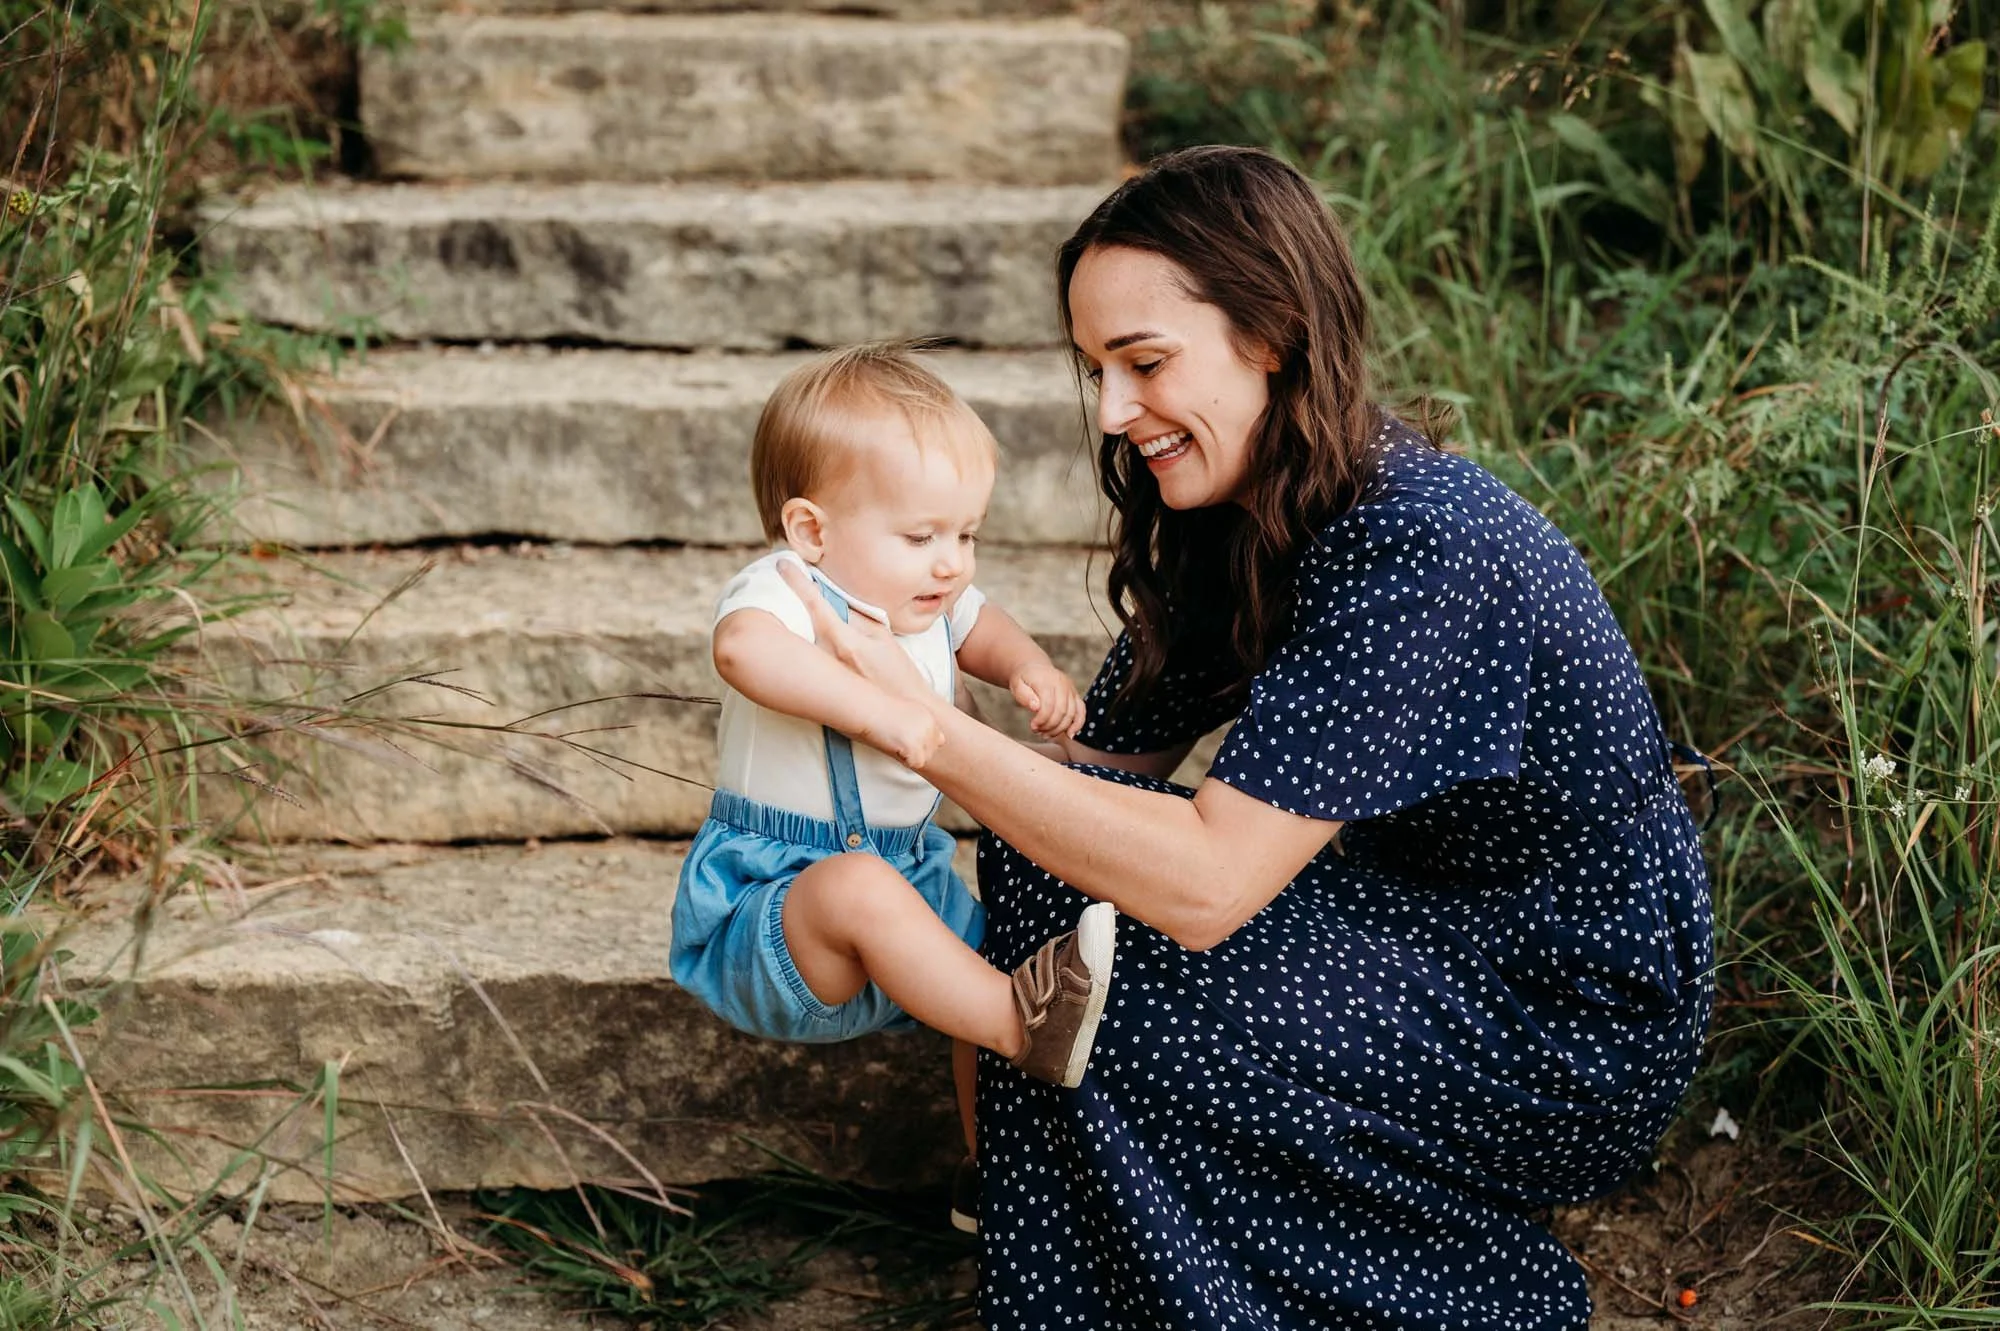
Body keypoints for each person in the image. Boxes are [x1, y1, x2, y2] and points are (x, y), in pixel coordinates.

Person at [774, 147, 1715, 1329]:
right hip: (1411, 925)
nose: (1113, 412)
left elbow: (1209, 885)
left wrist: (920, 729)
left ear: (1269, 332)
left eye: (1144, 362)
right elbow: (1089, 785)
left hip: (1559, 1019)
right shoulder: (1239, 500)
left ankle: (1462, 1293)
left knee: (1113, 983)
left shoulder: (1419, 546)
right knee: (1041, 873)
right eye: (1097, 369)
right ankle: (1111, 1268)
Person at [668, 344, 1122, 1224]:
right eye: (920, 537)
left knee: (980, 940)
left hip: (908, 877)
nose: (950, 561)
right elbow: (743, 652)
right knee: (865, 892)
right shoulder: (787, 589)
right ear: (812, 530)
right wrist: (880, 714)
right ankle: (1020, 1022)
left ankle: (983, 1167)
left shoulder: (933, 597)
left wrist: (1030, 668)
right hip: (777, 911)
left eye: (967, 533)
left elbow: (984, 624)